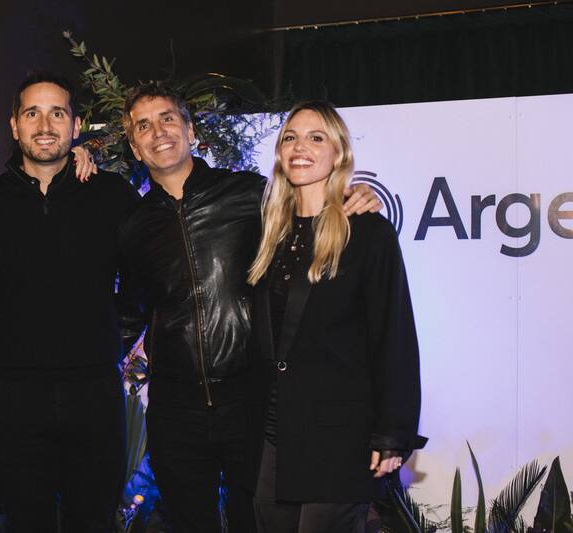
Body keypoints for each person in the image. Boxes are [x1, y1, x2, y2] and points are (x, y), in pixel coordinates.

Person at [118, 84, 382, 533]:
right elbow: (130, 312)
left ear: (190, 129)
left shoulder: (248, 194)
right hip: (175, 409)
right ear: (134, 145)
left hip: (251, 399)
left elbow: (308, 214)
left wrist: (350, 198)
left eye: (167, 118)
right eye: (143, 125)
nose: (157, 132)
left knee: (256, 521)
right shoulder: (133, 225)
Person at [0, 71, 141, 533]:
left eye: (57, 113)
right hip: (14, 401)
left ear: (76, 126)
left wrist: (111, 339)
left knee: (93, 522)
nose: (45, 125)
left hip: (94, 396)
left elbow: (148, 278)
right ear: (14, 125)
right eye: (32, 113)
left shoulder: (111, 195)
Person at [245, 101, 427, 533]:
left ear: (338, 153)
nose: (299, 147)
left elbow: (394, 336)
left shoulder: (367, 232)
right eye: (289, 137)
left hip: (341, 436)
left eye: (316, 137)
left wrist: (393, 433)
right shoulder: (268, 233)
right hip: (273, 436)